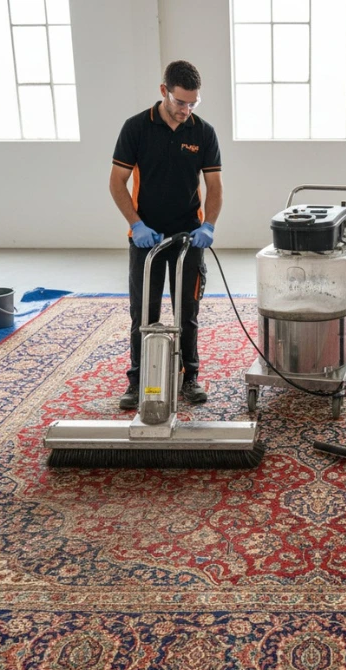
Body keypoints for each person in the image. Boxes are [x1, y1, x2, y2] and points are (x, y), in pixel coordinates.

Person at [110, 60, 222, 410]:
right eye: (180, 102)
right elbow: (117, 182)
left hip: (189, 237)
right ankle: (138, 380)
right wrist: (136, 224)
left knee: (187, 312)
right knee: (144, 312)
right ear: (164, 91)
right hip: (147, 238)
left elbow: (215, 186)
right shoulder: (136, 128)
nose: (186, 110)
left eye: (193, 103)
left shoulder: (203, 132)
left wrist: (208, 225)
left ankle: (190, 377)